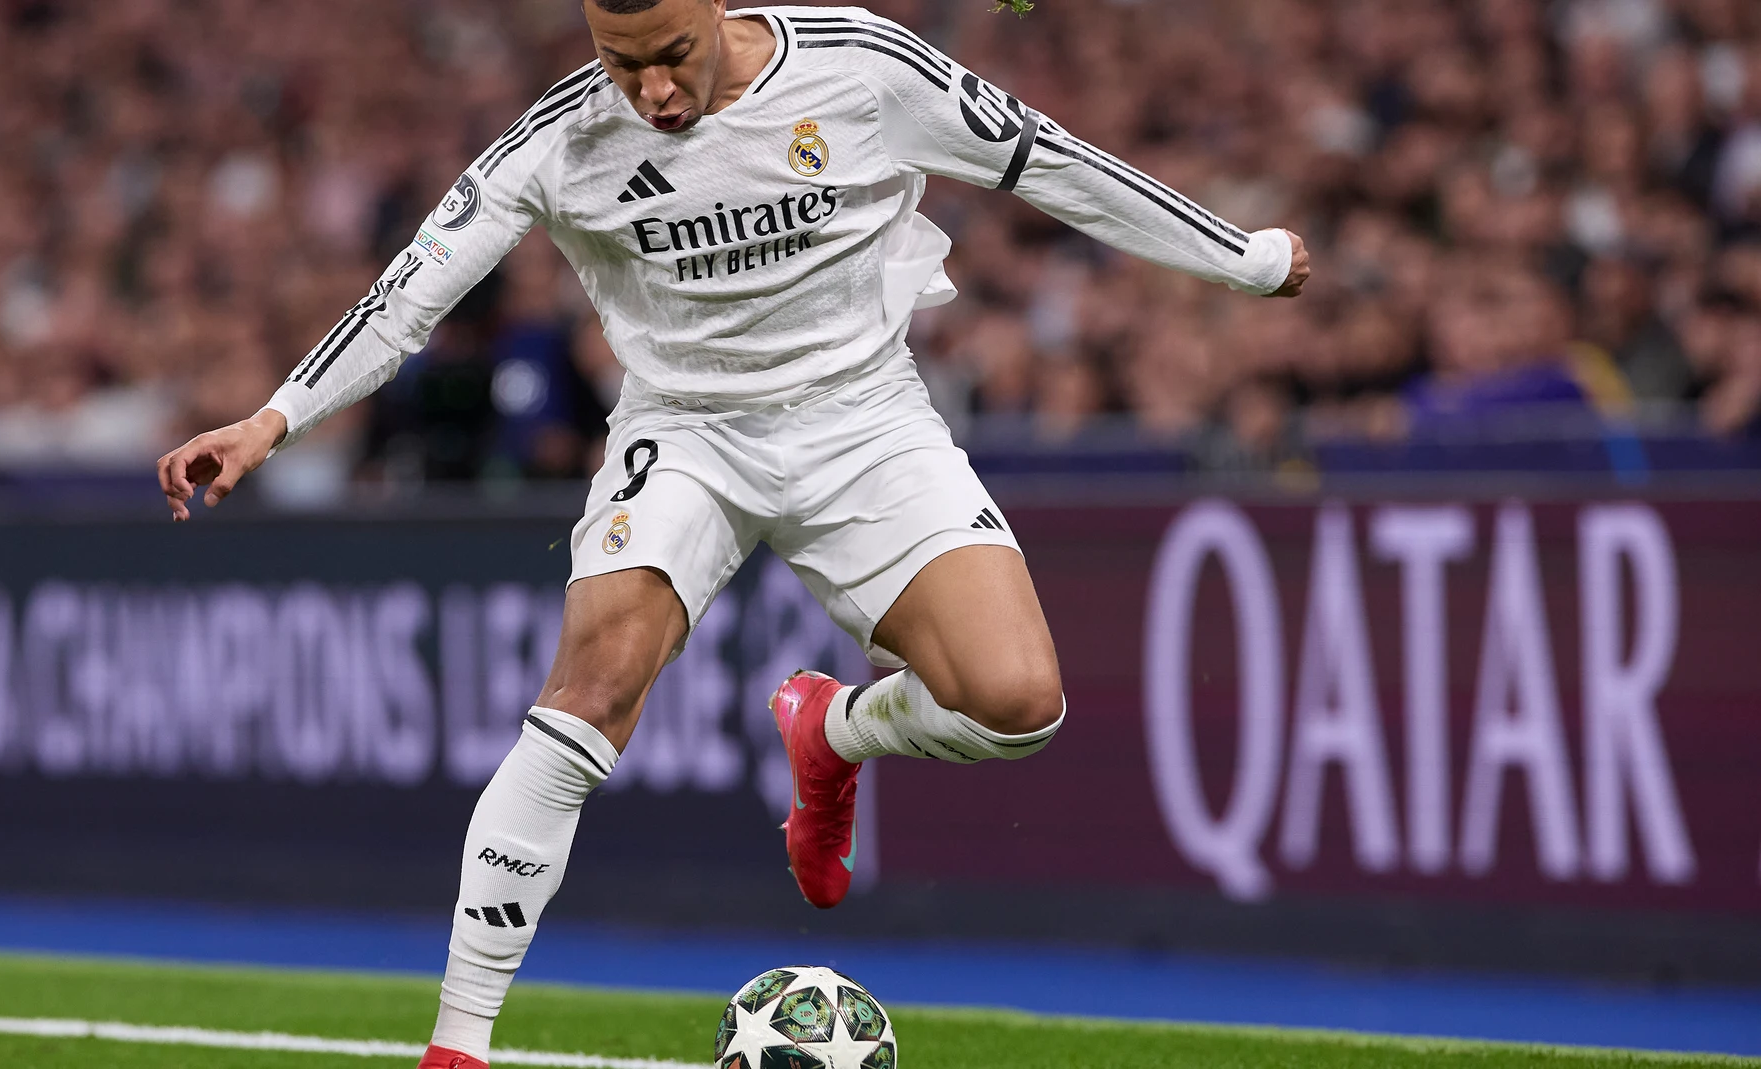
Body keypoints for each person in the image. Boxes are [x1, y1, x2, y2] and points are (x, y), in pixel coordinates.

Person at [155, 3, 1310, 1066]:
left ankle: (835, 731)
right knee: (593, 684)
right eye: (622, 64)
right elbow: (412, 291)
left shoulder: (862, 66)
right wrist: (275, 416)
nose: (651, 92)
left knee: (1019, 706)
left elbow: (1052, 162)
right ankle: (457, 1044)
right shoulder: (559, 139)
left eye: (672, 57)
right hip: (687, 430)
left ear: (718, 11)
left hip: (865, 421)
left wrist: (1242, 260)